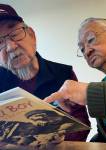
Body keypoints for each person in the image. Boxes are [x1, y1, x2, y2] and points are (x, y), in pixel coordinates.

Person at [0, 3, 90, 143]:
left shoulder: (63, 73)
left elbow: (81, 121)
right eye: (0, 42)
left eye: (15, 34)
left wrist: (62, 140)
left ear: (32, 36)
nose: (11, 47)